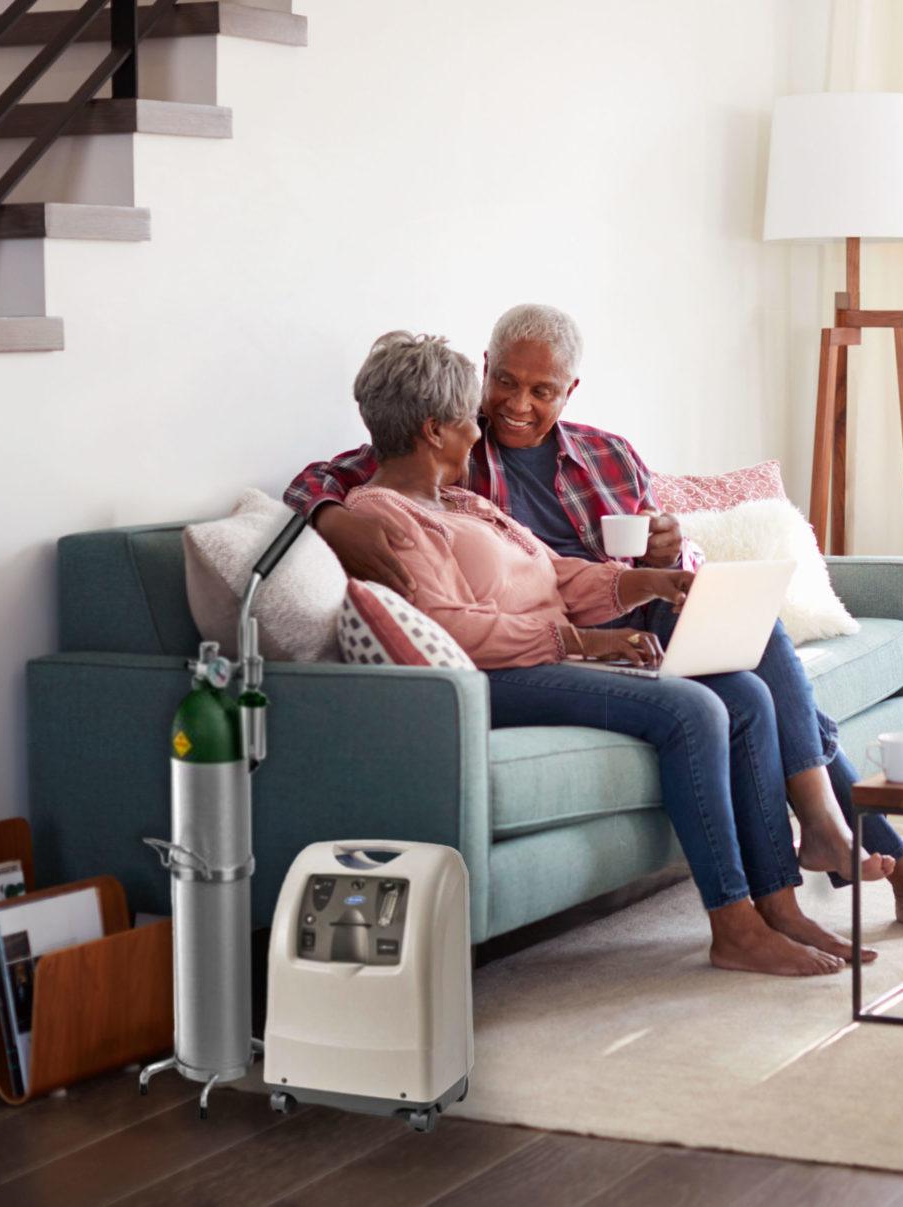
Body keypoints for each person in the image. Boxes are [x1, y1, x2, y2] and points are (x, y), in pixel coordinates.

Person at [287, 304, 903, 938]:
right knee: (740, 685)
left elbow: (643, 551)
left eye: (541, 390)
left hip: (628, 601)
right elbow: (345, 472)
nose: (514, 404)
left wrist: (674, 552)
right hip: (564, 628)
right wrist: (327, 516)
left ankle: (829, 836)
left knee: (748, 629)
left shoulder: (606, 454)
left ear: (570, 390)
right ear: (483, 373)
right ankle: (864, 854)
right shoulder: (454, 451)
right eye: (504, 381)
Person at [338, 330, 869, 976]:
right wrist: (582, 640)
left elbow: (558, 574)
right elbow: (451, 624)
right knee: (692, 710)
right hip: (500, 677)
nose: (479, 431)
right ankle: (733, 925)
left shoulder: (461, 502)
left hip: (544, 657)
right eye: (464, 420)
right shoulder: (384, 518)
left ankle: (778, 904)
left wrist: (646, 581)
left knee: (747, 695)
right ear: (433, 431)